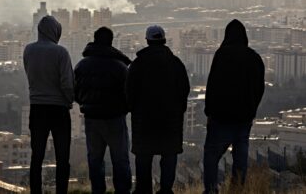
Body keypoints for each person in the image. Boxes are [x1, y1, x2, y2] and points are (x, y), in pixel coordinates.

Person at [203, 19, 265, 194]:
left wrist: (209, 113)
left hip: (221, 118)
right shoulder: (254, 58)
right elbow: (259, 88)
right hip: (243, 119)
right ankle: (237, 190)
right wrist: (252, 110)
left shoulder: (222, 55)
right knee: (240, 158)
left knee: (211, 156)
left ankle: (210, 190)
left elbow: (212, 85)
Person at [126, 25, 190, 194]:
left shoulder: (138, 64)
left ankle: (143, 190)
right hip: (170, 122)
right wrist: (178, 111)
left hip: (144, 122)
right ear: (164, 40)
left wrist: (134, 110)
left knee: (143, 157)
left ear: (147, 41)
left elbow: (129, 92)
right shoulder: (176, 64)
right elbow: (184, 90)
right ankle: (166, 189)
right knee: (169, 156)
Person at [74, 27, 132, 194]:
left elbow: (75, 91)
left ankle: (97, 191)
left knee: (95, 159)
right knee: (120, 159)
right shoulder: (120, 66)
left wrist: (87, 104)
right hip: (115, 118)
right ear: (111, 42)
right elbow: (130, 94)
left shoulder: (82, 65)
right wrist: (124, 109)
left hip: (92, 119)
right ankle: (122, 191)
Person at [23, 15, 74, 194]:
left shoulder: (28, 50)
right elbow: (67, 83)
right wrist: (69, 101)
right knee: (62, 157)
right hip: (58, 110)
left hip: (37, 108)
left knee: (37, 156)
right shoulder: (61, 52)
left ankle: (36, 191)